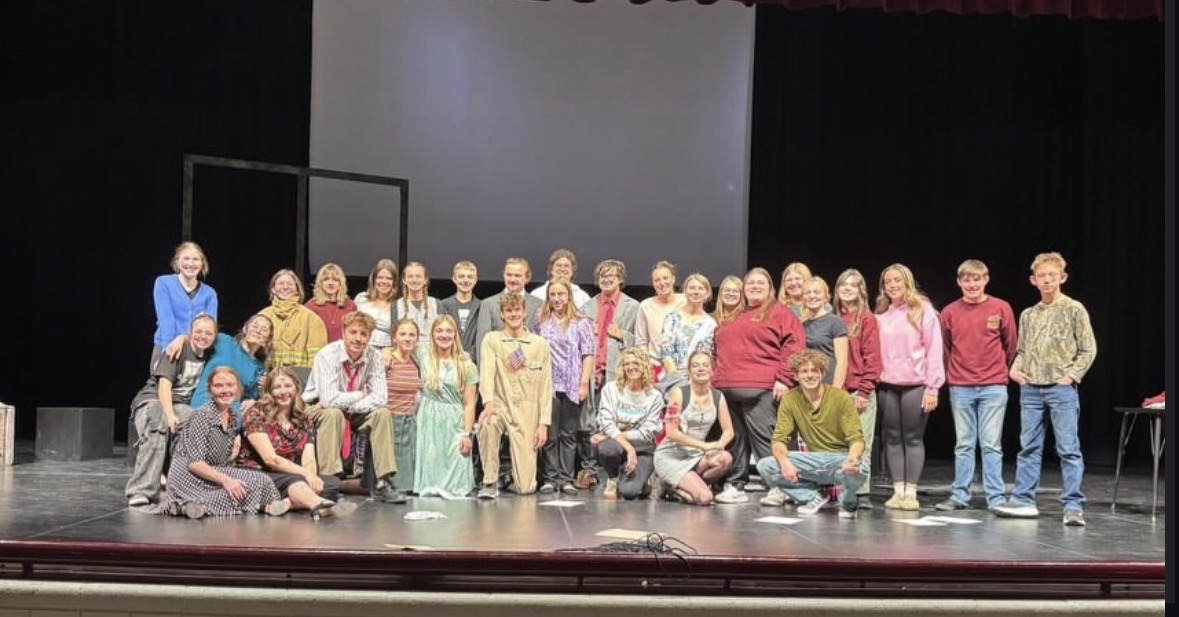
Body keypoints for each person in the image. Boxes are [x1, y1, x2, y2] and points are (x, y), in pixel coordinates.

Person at [994, 252, 1096, 526]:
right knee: (1028, 447)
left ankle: (1073, 505)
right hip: (1031, 389)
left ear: (1062, 277)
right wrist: (1015, 369)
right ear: (1033, 280)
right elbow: (1024, 349)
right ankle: (1023, 500)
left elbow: (1088, 349)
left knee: (1068, 449)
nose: (1047, 280)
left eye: (1052, 275)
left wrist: (1071, 376)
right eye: (1042, 276)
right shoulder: (1029, 314)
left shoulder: (1074, 309)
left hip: (1060, 389)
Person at [712, 267, 807, 504]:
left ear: (770, 288)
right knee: (735, 441)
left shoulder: (780, 313)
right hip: (726, 387)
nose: (754, 286)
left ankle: (778, 486)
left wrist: (784, 378)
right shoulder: (735, 314)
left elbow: (794, 346)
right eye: (750, 283)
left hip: (761, 387)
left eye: (760, 283)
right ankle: (735, 484)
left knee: (766, 439)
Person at [148, 366, 289, 518]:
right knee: (241, 486)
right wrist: (226, 480)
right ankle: (182, 506)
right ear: (210, 390)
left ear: (238, 389)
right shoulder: (202, 416)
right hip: (188, 476)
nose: (225, 390)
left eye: (230, 385)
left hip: (211, 471)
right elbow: (194, 463)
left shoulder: (233, 417)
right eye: (218, 386)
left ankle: (260, 506)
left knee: (260, 480)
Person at [936, 259, 1018, 512]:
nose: (972, 284)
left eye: (977, 279)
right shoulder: (949, 312)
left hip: (993, 385)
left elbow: (1011, 345)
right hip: (960, 386)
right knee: (964, 444)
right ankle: (960, 495)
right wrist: (955, 375)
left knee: (991, 444)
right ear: (959, 282)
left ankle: (995, 498)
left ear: (986, 279)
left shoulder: (1001, 308)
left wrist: (996, 371)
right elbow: (945, 348)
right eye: (967, 279)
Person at [302, 311, 406, 504]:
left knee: (382, 413)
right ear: (343, 332)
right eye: (353, 332)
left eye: (364, 334)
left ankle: (382, 481)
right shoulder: (328, 354)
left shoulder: (374, 356)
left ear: (370, 336)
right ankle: (329, 482)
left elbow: (381, 398)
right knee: (333, 414)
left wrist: (349, 405)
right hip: (317, 408)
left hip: (354, 410)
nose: (358, 338)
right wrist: (359, 394)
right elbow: (328, 400)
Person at [755, 350, 866, 519]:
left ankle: (847, 501)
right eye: (804, 371)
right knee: (766, 465)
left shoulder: (841, 398)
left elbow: (856, 438)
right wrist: (784, 462)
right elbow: (779, 439)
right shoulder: (790, 399)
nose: (809, 375)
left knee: (862, 467)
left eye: (814, 370)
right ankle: (813, 497)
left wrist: (852, 458)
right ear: (795, 376)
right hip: (812, 460)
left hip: (839, 459)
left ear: (822, 373)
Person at [238, 367, 356, 518]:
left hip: (290, 473)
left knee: (332, 483)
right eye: (277, 387)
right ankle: (320, 505)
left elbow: (309, 458)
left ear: (296, 388)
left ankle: (286, 503)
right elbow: (270, 459)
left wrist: (311, 477)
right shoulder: (256, 413)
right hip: (260, 472)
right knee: (296, 481)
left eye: (288, 386)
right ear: (269, 391)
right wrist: (306, 475)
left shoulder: (303, 418)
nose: (283, 392)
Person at [126, 313, 218, 507]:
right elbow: (164, 386)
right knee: (157, 424)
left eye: (208, 333)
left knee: (194, 422)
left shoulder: (210, 355)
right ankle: (141, 489)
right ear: (190, 332)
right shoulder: (178, 349)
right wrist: (169, 415)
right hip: (153, 399)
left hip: (180, 403)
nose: (203, 336)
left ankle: (177, 486)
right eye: (198, 332)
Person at [875, 263, 944, 510]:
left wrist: (932, 387)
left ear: (907, 282)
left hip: (915, 385)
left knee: (913, 438)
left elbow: (935, 350)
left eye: (897, 280)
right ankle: (897, 491)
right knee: (891, 438)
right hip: (887, 385)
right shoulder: (881, 314)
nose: (892, 285)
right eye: (888, 281)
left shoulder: (922, 310)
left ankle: (911, 493)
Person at [475, 293, 553, 498]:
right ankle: (490, 481)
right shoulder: (492, 340)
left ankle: (509, 477)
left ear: (525, 312)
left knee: (526, 488)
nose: (513, 314)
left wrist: (543, 423)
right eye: (508, 311)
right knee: (488, 423)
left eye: (517, 310)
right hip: (500, 405)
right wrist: (489, 402)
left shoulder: (540, 344)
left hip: (527, 411)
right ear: (502, 314)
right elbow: (487, 373)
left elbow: (546, 386)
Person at [576, 259, 640, 490]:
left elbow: (640, 341)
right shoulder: (587, 307)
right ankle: (589, 469)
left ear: (621, 279)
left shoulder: (632, 307)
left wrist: (622, 334)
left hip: (618, 372)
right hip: (592, 371)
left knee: (614, 421)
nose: (607, 279)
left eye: (612, 275)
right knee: (587, 422)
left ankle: (615, 470)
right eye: (602, 275)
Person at [536, 280, 595, 495]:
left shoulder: (581, 323)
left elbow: (588, 355)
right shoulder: (541, 320)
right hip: (548, 385)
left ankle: (567, 478)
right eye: (553, 294)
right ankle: (551, 478)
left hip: (571, 385)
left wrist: (583, 383)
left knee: (569, 434)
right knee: (551, 434)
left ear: (568, 296)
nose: (557, 298)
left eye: (561, 294)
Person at [654, 351, 734, 506]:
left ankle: (681, 485)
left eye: (705, 365)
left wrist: (720, 444)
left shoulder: (718, 397)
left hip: (696, 457)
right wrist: (704, 446)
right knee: (704, 498)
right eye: (695, 366)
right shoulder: (679, 393)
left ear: (712, 371)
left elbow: (729, 430)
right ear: (689, 371)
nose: (701, 369)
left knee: (725, 458)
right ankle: (671, 486)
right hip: (672, 456)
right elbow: (671, 433)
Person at [832, 268, 882, 511]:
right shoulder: (831, 318)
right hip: (833, 392)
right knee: (835, 444)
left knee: (860, 444)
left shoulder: (866, 320)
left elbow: (873, 359)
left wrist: (864, 391)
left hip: (857, 392)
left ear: (861, 290)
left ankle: (861, 493)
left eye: (853, 285)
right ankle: (838, 490)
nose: (848, 289)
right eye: (843, 285)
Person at [413, 314, 479, 498]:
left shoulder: (466, 365)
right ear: (432, 334)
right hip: (429, 417)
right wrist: (386, 354)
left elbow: (469, 404)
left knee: (457, 461)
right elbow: (399, 345)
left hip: (454, 418)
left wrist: (467, 434)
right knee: (432, 458)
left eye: (449, 331)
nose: (444, 335)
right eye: (439, 330)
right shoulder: (423, 354)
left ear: (455, 334)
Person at [592, 347, 665, 500]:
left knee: (629, 492)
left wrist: (611, 437)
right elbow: (606, 422)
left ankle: (643, 481)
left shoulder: (655, 396)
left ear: (644, 366)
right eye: (627, 364)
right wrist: (628, 446)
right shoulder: (611, 389)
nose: (631, 367)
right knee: (607, 449)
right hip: (618, 445)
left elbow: (647, 432)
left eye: (635, 363)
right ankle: (613, 478)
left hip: (642, 448)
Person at [189, 314, 273, 421]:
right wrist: (181, 339)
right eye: (255, 326)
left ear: (268, 338)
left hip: (230, 416)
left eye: (264, 329)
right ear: (245, 328)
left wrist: (254, 400)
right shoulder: (223, 341)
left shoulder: (259, 368)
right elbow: (198, 339)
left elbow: (249, 398)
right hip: (203, 405)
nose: (258, 331)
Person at [152, 241, 217, 366]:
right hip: (168, 344)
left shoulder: (210, 293)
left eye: (196, 259)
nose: (191, 264)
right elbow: (166, 321)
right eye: (186, 258)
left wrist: (190, 345)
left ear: (202, 263)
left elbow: (210, 328)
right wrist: (167, 353)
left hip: (196, 349)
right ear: (177, 262)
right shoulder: (163, 283)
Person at [656, 273, 717, 385]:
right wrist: (677, 382)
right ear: (685, 291)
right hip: (672, 378)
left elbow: (706, 355)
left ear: (707, 293)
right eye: (692, 288)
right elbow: (666, 353)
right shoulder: (672, 318)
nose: (696, 292)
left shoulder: (710, 324)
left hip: (698, 380)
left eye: (700, 288)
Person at [475, 257, 543, 359]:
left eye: (517, 275)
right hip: (499, 369)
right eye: (509, 275)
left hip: (530, 369)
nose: (512, 279)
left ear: (527, 278)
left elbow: (542, 343)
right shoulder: (488, 305)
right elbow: (482, 345)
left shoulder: (539, 305)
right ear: (503, 276)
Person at [259, 269, 327, 368]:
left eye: (290, 284)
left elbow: (317, 357)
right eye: (281, 283)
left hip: (301, 379)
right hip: (270, 379)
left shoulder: (311, 319)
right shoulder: (263, 316)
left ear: (297, 289)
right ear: (273, 288)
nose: (285, 287)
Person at [385, 319, 423, 493]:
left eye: (412, 335)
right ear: (394, 338)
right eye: (403, 334)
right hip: (389, 422)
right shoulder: (387, 360)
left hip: (409, 423)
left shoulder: (415, 362)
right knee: (390, 482)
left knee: (408, 485)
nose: (408, 339)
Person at [634, 260, 685, 379]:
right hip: (655, 367)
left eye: (665, 278)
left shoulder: (686, 301)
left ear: (673, 279)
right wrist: (646, 366)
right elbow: (641, 341)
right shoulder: (645, 306)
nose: (662, 283)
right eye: (657, 280)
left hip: (682, 368)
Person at [800, 277, 848, 388]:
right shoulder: (803, 325)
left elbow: (842, 361)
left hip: (828, 384)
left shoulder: (835, 322)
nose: (812, 296)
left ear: (826, 297)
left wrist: (835, 391)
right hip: (809, 384)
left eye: (816, 292)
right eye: (807, 293)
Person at [305, 263, 357, 343]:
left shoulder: (350, 306)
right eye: (326, 279)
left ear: (341, 284)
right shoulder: (310, 306)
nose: (330, 283)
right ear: (320, 283)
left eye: (335, 280)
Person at [439, 260, 481, 360]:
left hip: (473, 363)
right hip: (448, 359)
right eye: (461, 276)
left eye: (470, 277)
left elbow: (483, 335)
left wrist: (471, 354)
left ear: (476, 280)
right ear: (454, 279)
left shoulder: (481, 306)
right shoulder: (444, 305)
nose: (465, 280)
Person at [354, 259, 398, 350]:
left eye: (389, 278)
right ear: (374, 279)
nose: (384, 281)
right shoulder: (361, 299)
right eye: (380, 277)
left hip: (386, 351)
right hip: (360, 346)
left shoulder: (399, 305)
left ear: (394, 282)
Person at [396, 261, 441, 346]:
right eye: (410, 276)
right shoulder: (396, 305)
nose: (414, 280)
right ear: (404, 280)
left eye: (418, 276)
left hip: (432, 354)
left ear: (425, 280)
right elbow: (394, 335)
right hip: (406, 354)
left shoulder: (436, 304)